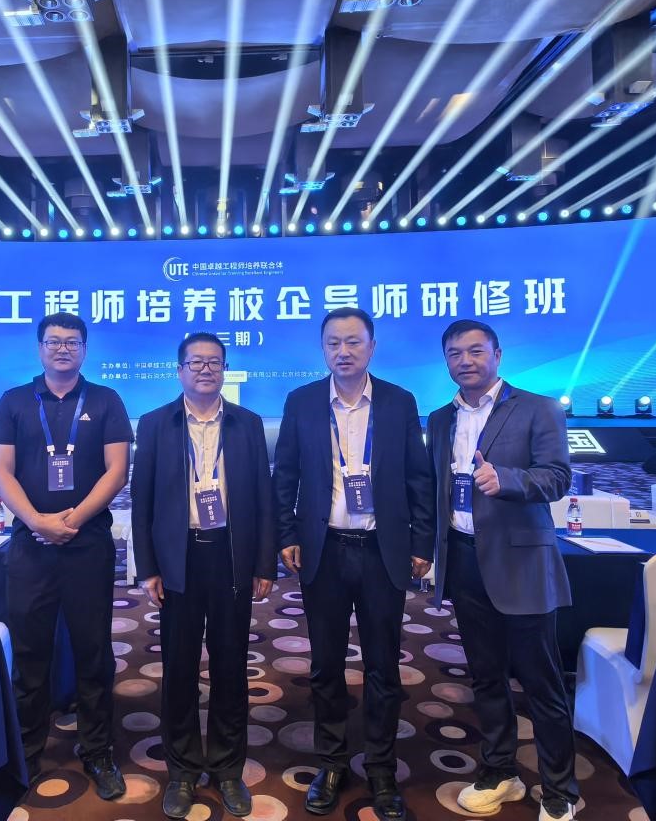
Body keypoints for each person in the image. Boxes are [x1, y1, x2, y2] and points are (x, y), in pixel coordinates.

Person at [273, 307, 435, 819]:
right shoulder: (301, 401)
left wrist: (423, 543)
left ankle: (382, 768)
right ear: (322, 349)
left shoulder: (398, 401)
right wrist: (286, 534)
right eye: (333, 343)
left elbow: (418, 477)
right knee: (325, 664)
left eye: (353, 342)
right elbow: (286, 476)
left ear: (372, 347)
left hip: (383, 552)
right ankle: (332, 762)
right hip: (324, 550)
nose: (343, 352)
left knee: (383, 664)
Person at [426, 319, 578, 821]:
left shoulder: (537, 408)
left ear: (497, 354)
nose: (465, 361)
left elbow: (557, 477)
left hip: (521, 563)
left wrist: (507, 479)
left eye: (475, 351)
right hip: (465, 560)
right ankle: (500, 772)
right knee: (486, 676)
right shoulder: (440, 419)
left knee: (541, 683)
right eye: (455, 353)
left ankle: (559, 792)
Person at [131, 333, 276, 819]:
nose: (205, 370)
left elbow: (264, 497)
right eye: (196, 363)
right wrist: (148, 567)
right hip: (179, 559)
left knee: (231, 665)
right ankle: (183, 771)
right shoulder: (155, 424)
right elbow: (142, 502)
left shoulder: (247, 423)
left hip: (231, 558)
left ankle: (228, 769)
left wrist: (263, 564)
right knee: (179, 667)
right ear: (180, 371)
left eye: (214, 363)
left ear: (225, 369)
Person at [0, 312, 133, 799]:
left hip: (87, 544)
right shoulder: (14, 401)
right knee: (30, 653)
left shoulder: (106, 400)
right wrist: (37, 521)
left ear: (85, 349)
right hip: (30, 545)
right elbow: (1, 471)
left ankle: (97, 751)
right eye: (54, 341)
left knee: (93, 651)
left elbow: (117, 471)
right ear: (40, 348)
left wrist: (71, 521)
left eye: (72, 342)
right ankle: (27, 750)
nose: (63, 349)